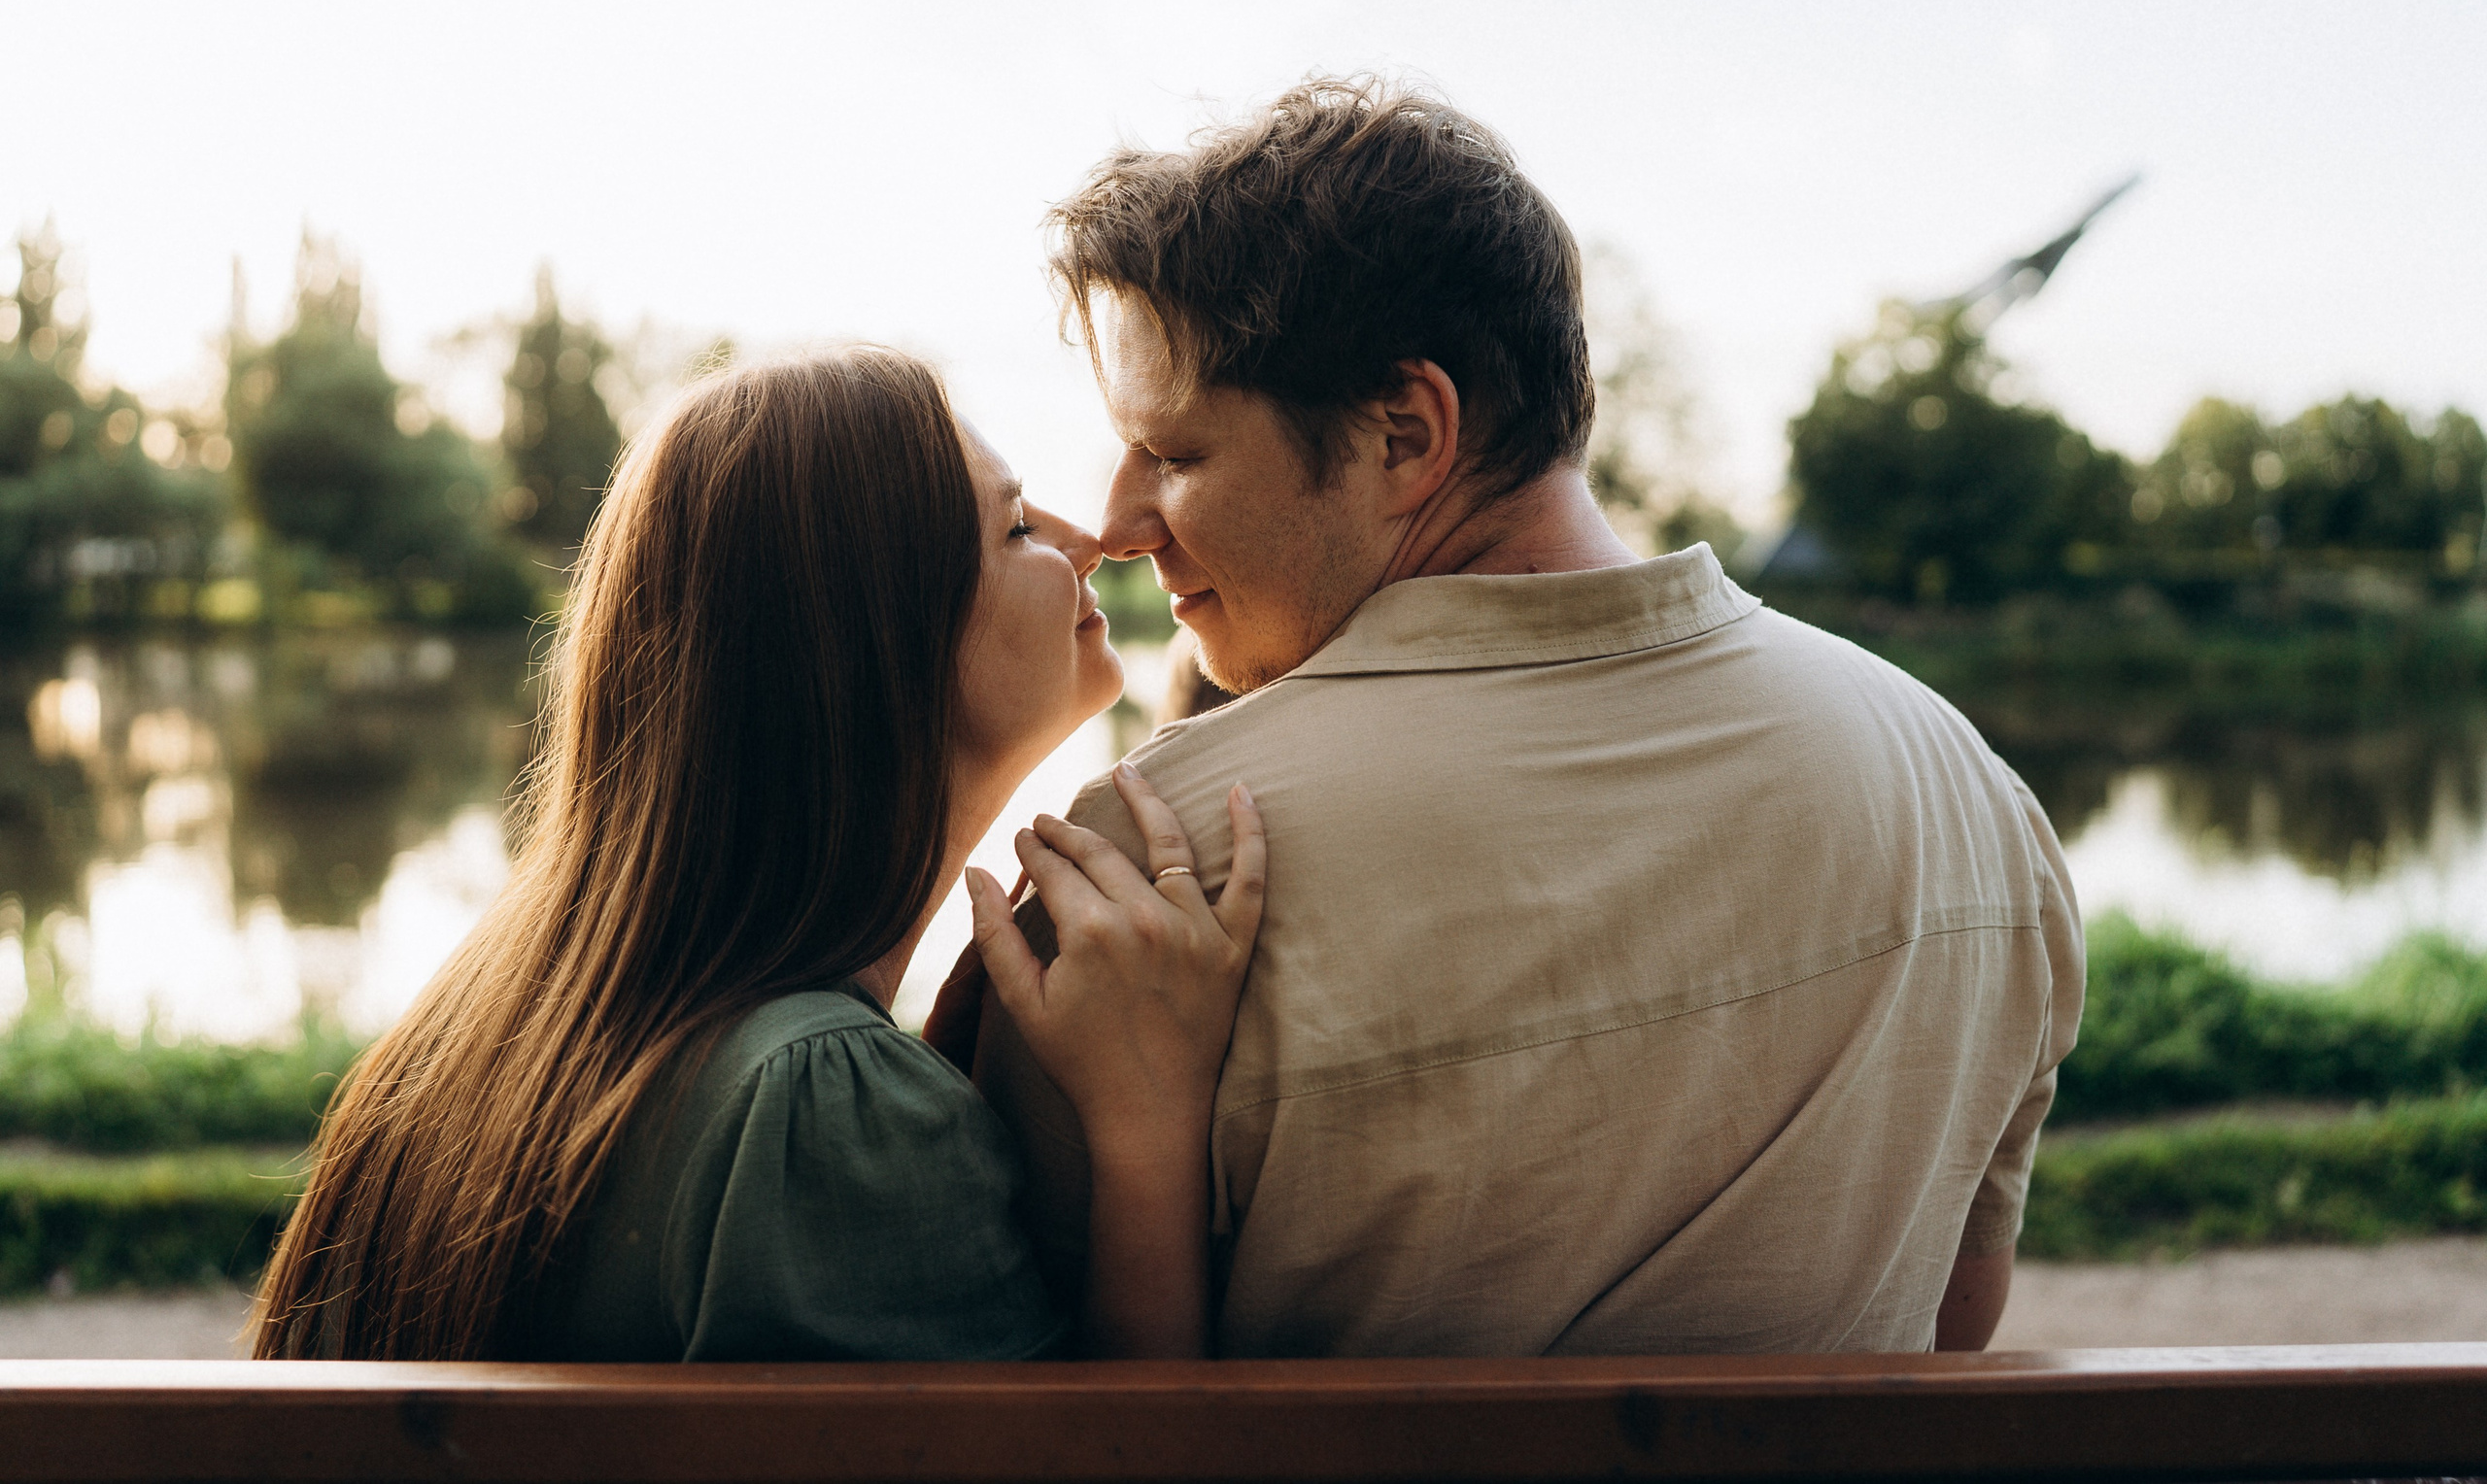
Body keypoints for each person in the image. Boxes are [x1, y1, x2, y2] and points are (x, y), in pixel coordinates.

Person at [972, 77, 2086, 1358]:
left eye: (1175, 454)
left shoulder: (1155, 866)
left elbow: (1042, 1405)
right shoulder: (1969, 787)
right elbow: (1957, 1318)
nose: (1115, 524)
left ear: (1406, 432)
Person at [253, 349, 1264, 1362]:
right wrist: (1148, 1129)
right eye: (1013, 527)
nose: (1089, 540)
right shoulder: (816, 1110)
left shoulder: (472, 1039)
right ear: (870, 644)